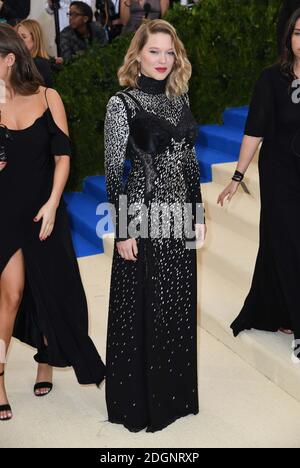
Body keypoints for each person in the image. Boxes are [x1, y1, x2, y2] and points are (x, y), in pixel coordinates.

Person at [104, 19, 206, 432]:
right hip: (143, 221)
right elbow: (114, 171)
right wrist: (124, 229)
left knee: (177, 308)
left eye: (169, 52)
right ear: (138, 56)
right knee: (146, 308)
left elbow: (189, 164)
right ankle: (141, 403)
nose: (162, 60)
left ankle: (175, 396)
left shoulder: (179, 100)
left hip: (178, 219)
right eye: (154, 51)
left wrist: (197, 216)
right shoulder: (121, 104)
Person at [0, 24, 106, 421]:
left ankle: (48, 360)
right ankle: (0, 377)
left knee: (54, 290)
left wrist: (53, 202)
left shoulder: (48, 97)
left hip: (45, 209)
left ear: (10, 59)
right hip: (5, 210)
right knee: (10, 296)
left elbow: (62, 155)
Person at [218, 8, 300, 357]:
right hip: (281, 174)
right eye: (298, 32)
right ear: (288, 37)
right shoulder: (272, 78)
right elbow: (255, 130)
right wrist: (237, 176)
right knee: (290, 245)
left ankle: (280, 309)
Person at [16, 19, 53, 88]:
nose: (19, 41)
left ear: (35, 39)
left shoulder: (39, 64)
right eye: (17, 37)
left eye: (24, 37)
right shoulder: (20, 60)